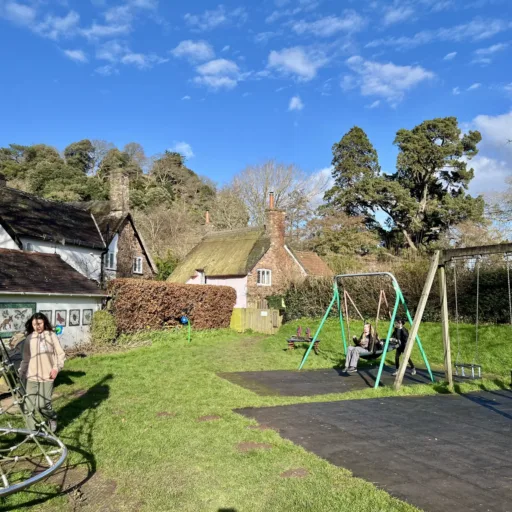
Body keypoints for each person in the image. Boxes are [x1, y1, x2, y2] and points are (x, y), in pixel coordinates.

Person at [19, 313, 66, 432]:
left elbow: (60, 354)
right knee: (28, 406)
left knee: (42, 405)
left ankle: (52, 417)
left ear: (44, 322)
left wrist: (56, 368)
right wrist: (21, 373)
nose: (37, 326)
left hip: (47, 375)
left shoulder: (51, 336)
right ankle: (33, 432)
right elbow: (26, 358)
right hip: (32, 376)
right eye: (34, 324)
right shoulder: (29, 338)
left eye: (39, 324)